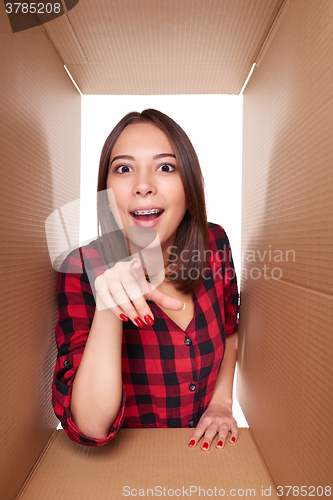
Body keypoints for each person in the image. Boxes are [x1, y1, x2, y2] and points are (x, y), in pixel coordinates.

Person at [52, 109, 239, 450]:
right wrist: (109, 306)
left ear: (189, 185)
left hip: (205, 460)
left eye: (166, 167)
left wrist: (222, 403)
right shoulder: (80, 267)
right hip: (129, 466)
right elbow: (91, 426)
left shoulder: (215, 242)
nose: (143, 186)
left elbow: (231, 328)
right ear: (106, 193)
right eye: (124, 168)